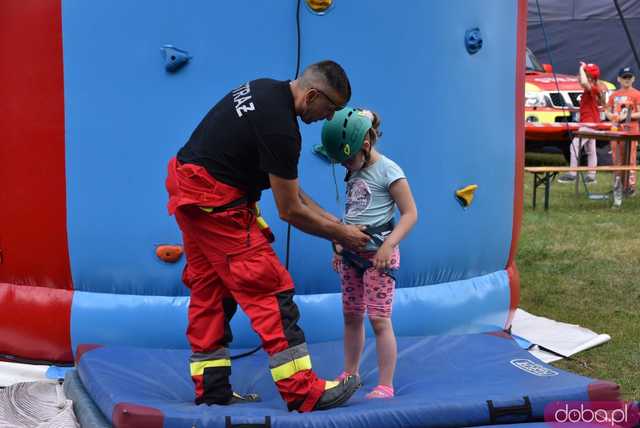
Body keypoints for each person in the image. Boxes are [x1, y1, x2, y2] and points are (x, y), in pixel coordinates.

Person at [165, 60, 371, 412]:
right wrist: (343, 236)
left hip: (191, 193)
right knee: (268, 289)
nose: (328, 118)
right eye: (331, 109)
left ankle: (212, 390)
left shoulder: (264, 88)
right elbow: (289, 209)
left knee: (211, 292)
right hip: (217, 205)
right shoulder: (282, 131)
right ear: (312, 95)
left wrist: (336, 225)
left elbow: (294, 192)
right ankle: (303, 392)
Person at [321, 108, 418, 399]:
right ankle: (351, 372)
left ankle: (385, 384)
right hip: (352, 256)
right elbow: (354, 210)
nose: (346, 166)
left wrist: (389, 245)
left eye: (347, 159)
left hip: (379, 258)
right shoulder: (353, 169)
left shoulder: (389, 170)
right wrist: (338, 244)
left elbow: (411, 214)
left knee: (379, 319)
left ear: (365, 144)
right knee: (351, 316)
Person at [558, 62, 607, 184]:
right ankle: (591, 176)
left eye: (582, 74)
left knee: (574, 146)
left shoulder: (593, 87)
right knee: (591, 150)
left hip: (589, 124)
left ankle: (572, 174)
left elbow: (584, 82)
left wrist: (581, 68)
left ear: (589, 77)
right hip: (590, 123)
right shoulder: (593, 88)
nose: (579, 77)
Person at [605, 66, 640, 199]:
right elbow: (607, 110)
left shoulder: (637, 94)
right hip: (615, 130)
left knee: (630, 159)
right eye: (624, 77)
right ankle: (617, 186)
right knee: (616, 159)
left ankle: (630, 187)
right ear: (619, 79)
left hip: (631, 130)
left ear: (633, 79)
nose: (627, 80)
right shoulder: (614, 95)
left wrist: (627, 116)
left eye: (629, 77)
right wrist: (611, 116)